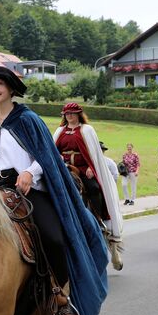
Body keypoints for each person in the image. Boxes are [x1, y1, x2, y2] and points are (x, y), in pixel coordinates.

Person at [0, 66, 108, 315]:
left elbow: (47, 157)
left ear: (10, 89)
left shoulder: (28, 119)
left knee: (53, 237)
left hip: (26, 190)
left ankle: (59, 298)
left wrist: (30, 173)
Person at [54, 102, 123, 247]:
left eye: (72, 113)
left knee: (94, 187)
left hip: (84, 167)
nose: (69, 116)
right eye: (67, 114)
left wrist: (92, 167)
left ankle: (98, 219)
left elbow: (94, 153)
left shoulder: (87, 130)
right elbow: (54, 149)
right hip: (64, 166)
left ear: (79, 114)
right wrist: (57, 156)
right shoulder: (60, 131)